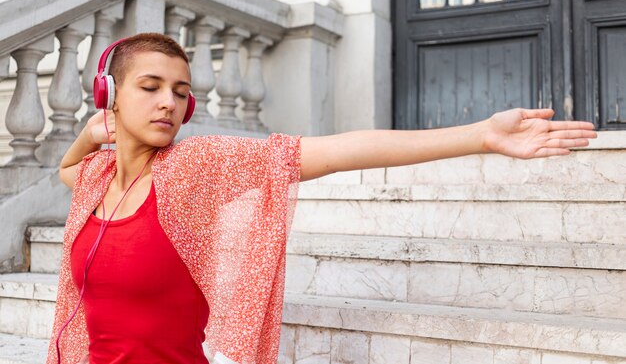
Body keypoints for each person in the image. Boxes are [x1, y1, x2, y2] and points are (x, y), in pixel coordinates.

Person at [47, 33, 597, 364]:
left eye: (181, 92)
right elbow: (66, 168)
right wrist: (95, 131)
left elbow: (338, 151)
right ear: (110, 97)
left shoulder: (195, 171)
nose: (169, 102)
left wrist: (479, 135)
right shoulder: (97, 183)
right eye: (150, 87)